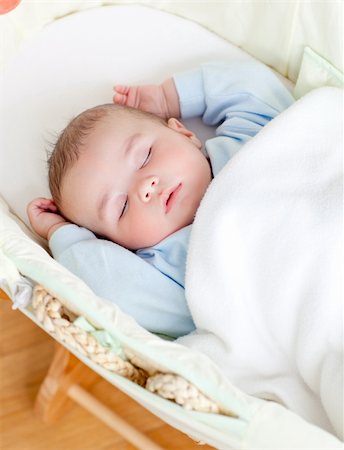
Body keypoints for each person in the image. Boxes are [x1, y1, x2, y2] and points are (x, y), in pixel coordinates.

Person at [27, 60, 294, 337]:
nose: (146, 187)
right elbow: (112, 286)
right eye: (122, 207)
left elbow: (253, 86)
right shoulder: (170, 273)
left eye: (145, 156)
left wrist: (170, 97)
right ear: (117, 246)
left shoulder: (244, 146)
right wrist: (65, 236)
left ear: (185, 133)